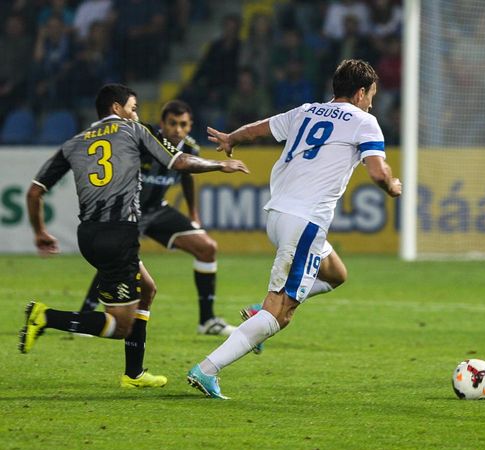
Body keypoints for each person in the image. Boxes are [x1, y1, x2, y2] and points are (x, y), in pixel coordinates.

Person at [186, 59, 402, 399]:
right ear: (360, 93)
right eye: (371, 95)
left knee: (335, 274)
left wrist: (231, 138)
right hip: (305, 222)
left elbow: (260, 128)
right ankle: (207, 369)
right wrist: (392, 186)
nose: (372, 102)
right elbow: (377, 172)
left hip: (277, 215)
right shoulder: (365, 122)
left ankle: (261, 310)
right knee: (282, 313)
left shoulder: (306, 111)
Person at [19, 84, 249, 390]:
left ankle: (134, 374)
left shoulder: (74, 143)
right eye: (133, 107)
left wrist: (40, 233)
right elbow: (179, 162)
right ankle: (45, 317)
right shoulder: (132, 130)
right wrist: (220, 165)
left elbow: (35, 191)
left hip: (88, 233)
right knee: (119, 326)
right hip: (119, 233)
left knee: (148, 289)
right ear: (117, 108)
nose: (136, 113)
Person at [78, 99, 237, 336]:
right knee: (116, 259)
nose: (177, 129)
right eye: (172, 123)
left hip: (158, 210)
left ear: (190, 125)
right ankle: (85, 317)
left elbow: (187, 175)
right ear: (162, 123)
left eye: (183, 124)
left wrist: (193, 213)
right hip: (129, 213)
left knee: (207, 247)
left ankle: (207, 320)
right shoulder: (143, 142)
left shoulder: (190, 149)